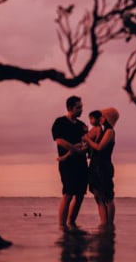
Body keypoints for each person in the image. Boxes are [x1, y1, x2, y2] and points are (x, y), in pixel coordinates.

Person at [51, 95, 89, 228]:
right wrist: (75, 150)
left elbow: (86, 142)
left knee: (80, 195)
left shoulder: (82, 125)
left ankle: (71, 223)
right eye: (78, 108)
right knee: (68, 193)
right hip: (67, 164)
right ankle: (62, 226)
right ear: (70, 108)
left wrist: (84, 147)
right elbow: (59, 141)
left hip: (82, 164)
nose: (81, 110)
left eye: (81, 107)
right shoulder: (60, 122)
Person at [82, 107, 119, 227]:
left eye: (103, 116)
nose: (100, 118)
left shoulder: (110, 132)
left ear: (107, 119)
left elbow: (99, 147)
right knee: (98, 196)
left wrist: (87, 138)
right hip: (95, 165)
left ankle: (109, 224)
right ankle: (104, 224)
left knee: (108, 197)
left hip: (103, 166)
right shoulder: (101, 131)